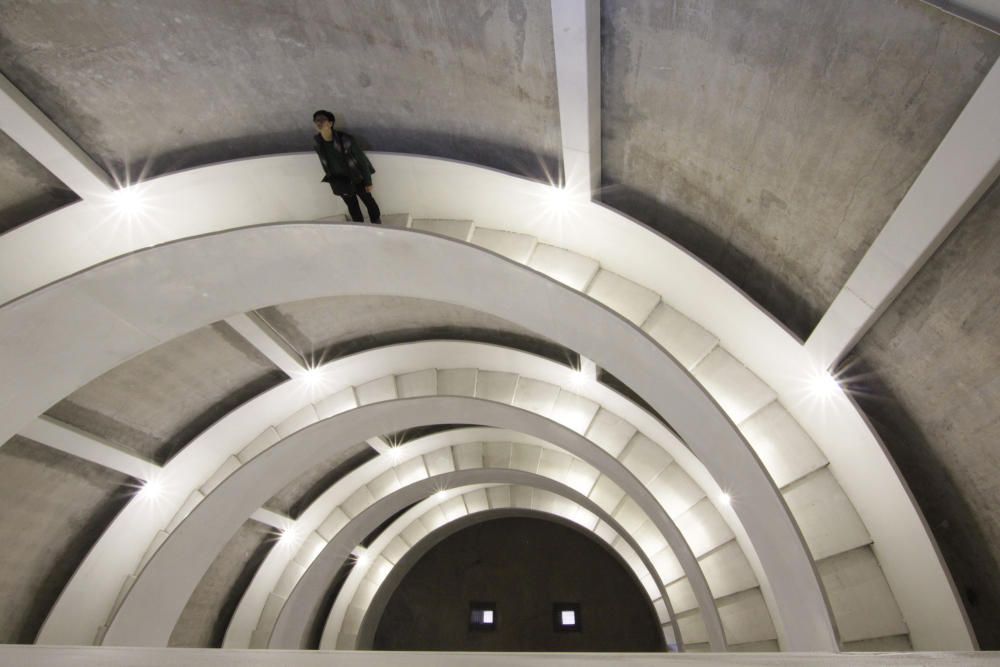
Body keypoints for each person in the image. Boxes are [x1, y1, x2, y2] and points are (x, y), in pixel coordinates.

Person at [312, 110, 381, 224]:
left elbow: (362, 160)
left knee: (368, 201)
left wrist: (368, 181)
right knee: (352, 205)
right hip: (340, 181)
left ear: (330, 123)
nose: (319, 123)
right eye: (316, 121)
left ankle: (377, 223)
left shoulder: (346, 140)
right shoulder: (317, 142)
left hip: (357, 178)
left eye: (322, 120)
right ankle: (359, 226)